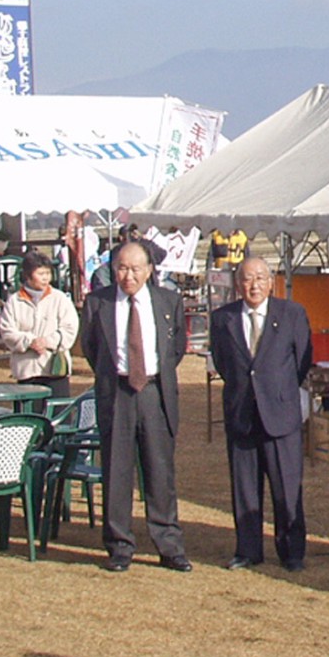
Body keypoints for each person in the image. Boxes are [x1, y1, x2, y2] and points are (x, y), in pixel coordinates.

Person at [80, 240, 189, 572]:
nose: (128, 275)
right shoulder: (97, 303)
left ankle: (169, 545)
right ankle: (119, 546)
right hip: (117, 391)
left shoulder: (168, 301)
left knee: (159, 471)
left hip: (155, 393)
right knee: (117, 470)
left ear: (149, 270)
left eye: (135, 269)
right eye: (121, 269)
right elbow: (91, 347)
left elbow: (176, 349)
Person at [208, 256, 314, 571]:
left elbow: (301, 361)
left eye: (259, 278)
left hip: (280, 414)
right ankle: (248, 550)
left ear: (270, 281)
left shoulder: (292, 313)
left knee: (286, 487)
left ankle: (292, 551)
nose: (253, 285)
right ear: (237, 284)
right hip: (242, 414)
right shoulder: (222, 318)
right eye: (246, 279)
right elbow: (224, 363)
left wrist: (276, 391)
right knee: (245, 488)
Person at [0, 252, 80, 400]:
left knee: (58, 415)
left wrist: (47, 341)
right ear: (28, 276)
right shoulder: (14, 301)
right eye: (40, 273)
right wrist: (30, 341)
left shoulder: (60, 298)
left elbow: (70, 328)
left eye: (48, 273)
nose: (45, 278)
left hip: (55, 370)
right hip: (27, 370)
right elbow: (7, 331)